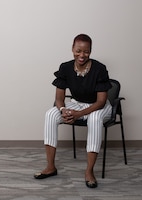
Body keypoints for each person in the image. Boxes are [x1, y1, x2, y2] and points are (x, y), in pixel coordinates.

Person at [34, 34, 112, 189]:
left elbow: (101, 102)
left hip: (99, 107)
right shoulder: (65, 67)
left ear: (90, 51)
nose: (82, 55)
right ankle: (50, 167)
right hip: (78, 104)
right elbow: (59, 99)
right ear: (72, 49)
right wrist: (63, 110)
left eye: (86, 51)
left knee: (95, 118)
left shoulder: (99, 68)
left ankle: (89, 172)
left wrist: (79, 115)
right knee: (51, 114)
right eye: (78, 51)